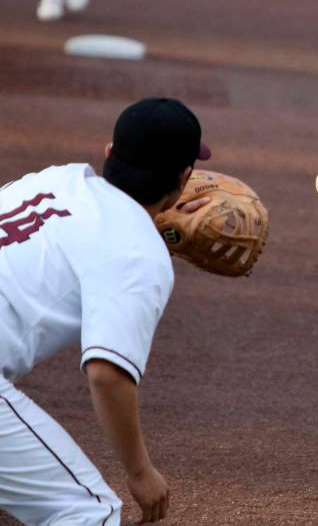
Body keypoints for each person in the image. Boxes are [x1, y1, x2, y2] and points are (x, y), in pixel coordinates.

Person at [0, 97, 212, 524]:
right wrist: (140, 472)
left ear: (108, 152)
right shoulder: (139, 253)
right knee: (86, 511)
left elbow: (96, 232)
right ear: (184, 177)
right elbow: (106, 372)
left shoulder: (58, 180)